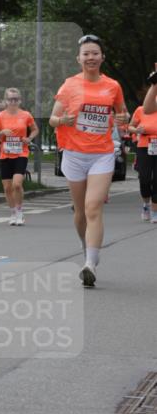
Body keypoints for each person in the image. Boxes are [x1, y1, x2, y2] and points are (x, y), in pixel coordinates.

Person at [49, 35, 128, 287]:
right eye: (86, 54)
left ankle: (90, 264)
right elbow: (53, 119)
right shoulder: (69, 85)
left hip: (101, 154)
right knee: (81, 211)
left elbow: (122, 114)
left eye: (95, 53)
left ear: (102, 57)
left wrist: (122, 119)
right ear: (79, 58)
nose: (90, 57)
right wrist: (63, 121)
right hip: (73, 153)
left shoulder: (112, 86)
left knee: (94, 206)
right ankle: (87, 249)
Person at [0, 88, 38, 225]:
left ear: (20, 101)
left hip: (21, 153)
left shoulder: (26, 115)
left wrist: (29, 138)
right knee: (7, 188)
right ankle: (13, 212)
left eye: (16, 99)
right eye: (10, 99)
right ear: (6, 101)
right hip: (5, 154)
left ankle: (19, 212)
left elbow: (35, 129)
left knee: (17, 184)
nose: (13, 102)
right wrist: (2, 133)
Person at [128, 101, 157, 223]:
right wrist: (136, 130)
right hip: (144, 145)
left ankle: (155, 211)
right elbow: (130, 127)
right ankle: (146, 204)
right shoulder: (141, 109)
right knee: (144, 178)